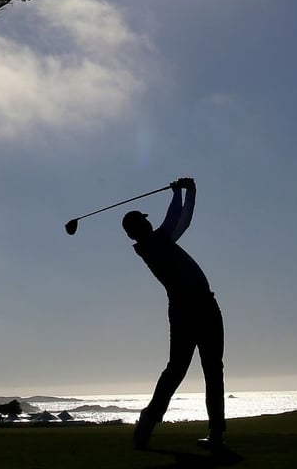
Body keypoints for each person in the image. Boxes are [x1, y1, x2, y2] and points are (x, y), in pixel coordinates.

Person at [124, 177, 227, 452]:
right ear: (138, 229)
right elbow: (174, 219)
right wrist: (178, 192)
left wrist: (188, 192)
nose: (148, 222)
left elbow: (183, 221)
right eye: (143, 221)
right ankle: (147, 422)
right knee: (179, 370)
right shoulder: (153, 244)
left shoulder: (160, 241)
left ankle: (216, 435)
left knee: (210, 370)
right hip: (187, 310)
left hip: (204, 305)